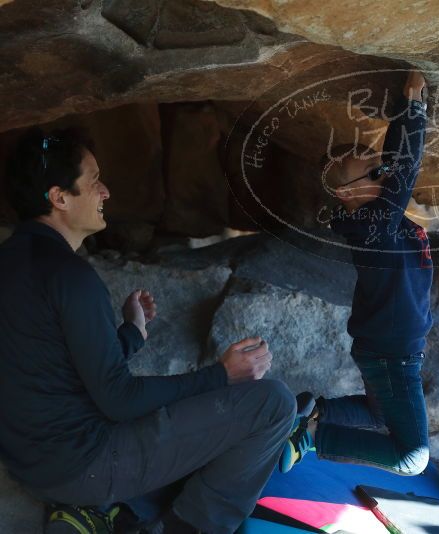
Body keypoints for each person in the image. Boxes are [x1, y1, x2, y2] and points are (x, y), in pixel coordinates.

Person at [0, 128, 296, 534]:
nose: (105, 191)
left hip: (30, 463)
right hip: (83, 467)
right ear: (59, 198)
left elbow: (65, 368)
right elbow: (119, 400)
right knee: (273, 404)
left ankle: (98, 512)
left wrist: (132, 334)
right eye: (93, 181)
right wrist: (220, 375)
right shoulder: (71, 277)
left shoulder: (12, 261)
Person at [279, 71, 432, 476]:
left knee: (380, 415)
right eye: (373, 174)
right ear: (347, 194)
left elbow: (395, 165)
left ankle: (314, 411)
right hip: (392, 355)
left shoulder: (376, 219)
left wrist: (403, 111)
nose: (384, 175)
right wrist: (415, 108)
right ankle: (314, 435)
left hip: (388, 349)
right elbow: (405, 171)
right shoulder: (374, 225)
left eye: (379, 170)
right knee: (412, 458)